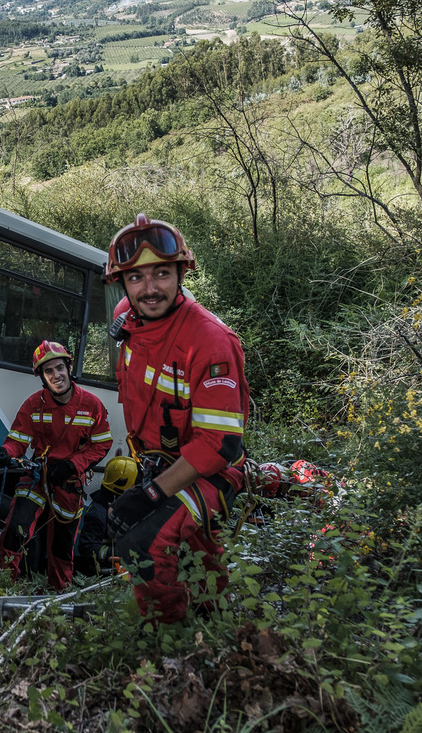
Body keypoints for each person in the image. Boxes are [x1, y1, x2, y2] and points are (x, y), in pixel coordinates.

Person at [103, 213, 250, 623]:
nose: (150, 289)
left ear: (181, 272)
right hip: (161, 461)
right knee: (198, 555)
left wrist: (150, 495)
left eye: (162, 274)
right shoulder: (128, 319)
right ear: (123, 284)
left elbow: (219, 444)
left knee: (143, 541)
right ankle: (213, 624)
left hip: (212, 469)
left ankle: (163, 640)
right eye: (136, 278)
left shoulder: (209, 340)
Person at [0, 340, 112, 589]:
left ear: (68, 368)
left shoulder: (92, 406)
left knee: (61, 545)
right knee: (16, 531)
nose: (56, 375)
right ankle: (0, 586)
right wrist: (6, 451)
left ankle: (58, 593)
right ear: (42, 377)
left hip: (68, 483)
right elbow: (18, 439)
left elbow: (102, 444)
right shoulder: (33, 404)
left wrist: (73, 465)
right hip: (37, 477)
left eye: (59, 368)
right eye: (48, 371)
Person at [74, 452, 139, 574]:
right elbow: (87, 547)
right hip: (105, 571)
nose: (135, 488)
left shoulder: (121, 505)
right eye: (133, 485)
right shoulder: (97, 514)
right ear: (121, 489)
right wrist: (116, 553)